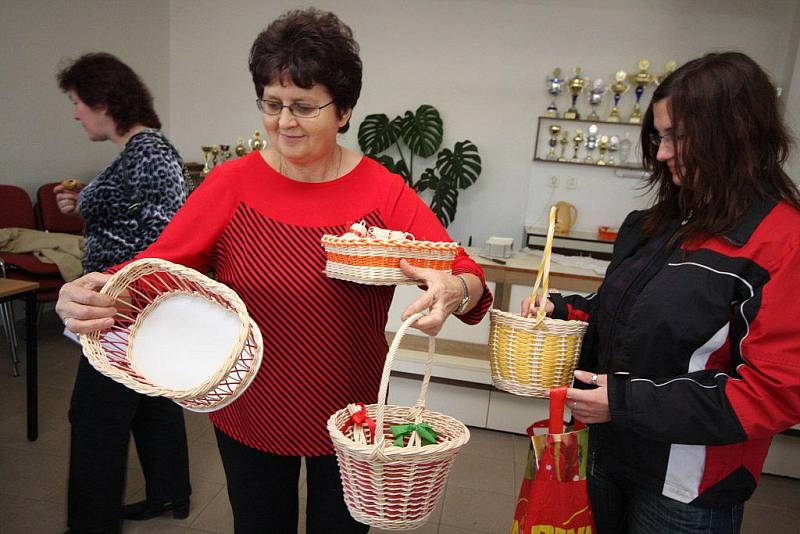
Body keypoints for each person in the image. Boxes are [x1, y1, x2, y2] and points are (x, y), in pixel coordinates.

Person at [56, 10, 493, 534]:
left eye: (305, 106)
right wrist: (91, 293)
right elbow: (157, 270)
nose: (285, 122)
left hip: (350, 413)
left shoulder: (383, 191)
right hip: (251, 405)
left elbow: (465, 274)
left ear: (345, 109)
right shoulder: (230, 185)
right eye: (272, 103)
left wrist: (454, 290)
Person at [523, 51, 800, 533]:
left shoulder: (783, 243)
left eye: (679, 138)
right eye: (660, 137)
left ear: (734, 135)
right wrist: (563, 309)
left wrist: (625, 402)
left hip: (685, 489)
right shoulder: (661, 222)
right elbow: (625, 311)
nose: (663, 153)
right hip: (608, 453)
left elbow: (773, 391)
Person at [55, 52, 191, 534]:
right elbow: (131, 221)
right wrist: (82, 207)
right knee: (152, 405)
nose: (74, 112)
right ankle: (170, 493)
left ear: (103, 101)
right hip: (132, 312)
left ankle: (90, 525)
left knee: (94, 419)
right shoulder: (138, 154)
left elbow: (165, 240)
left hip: (122, 315)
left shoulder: (149, 153)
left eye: (76, 101)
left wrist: (116, 297)